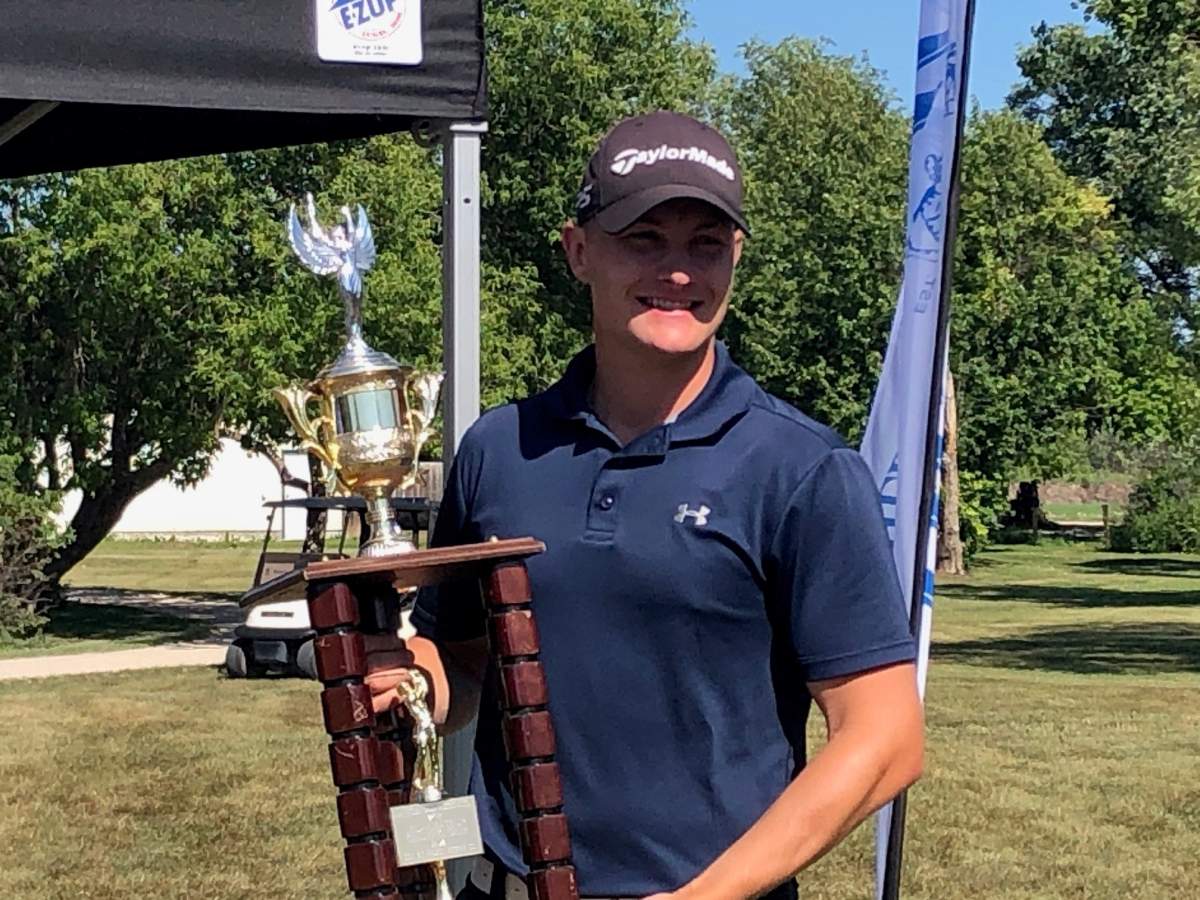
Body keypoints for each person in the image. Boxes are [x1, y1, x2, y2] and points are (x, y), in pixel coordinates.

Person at [366, 110, 924, 900]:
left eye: (705, 244)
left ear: (735, 258)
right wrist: (404, 678)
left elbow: (886, 736)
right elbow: (464, 664)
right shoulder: (498, 448)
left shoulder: (801, 468)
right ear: (578, 250)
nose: (677, 271)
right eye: (644, 238)